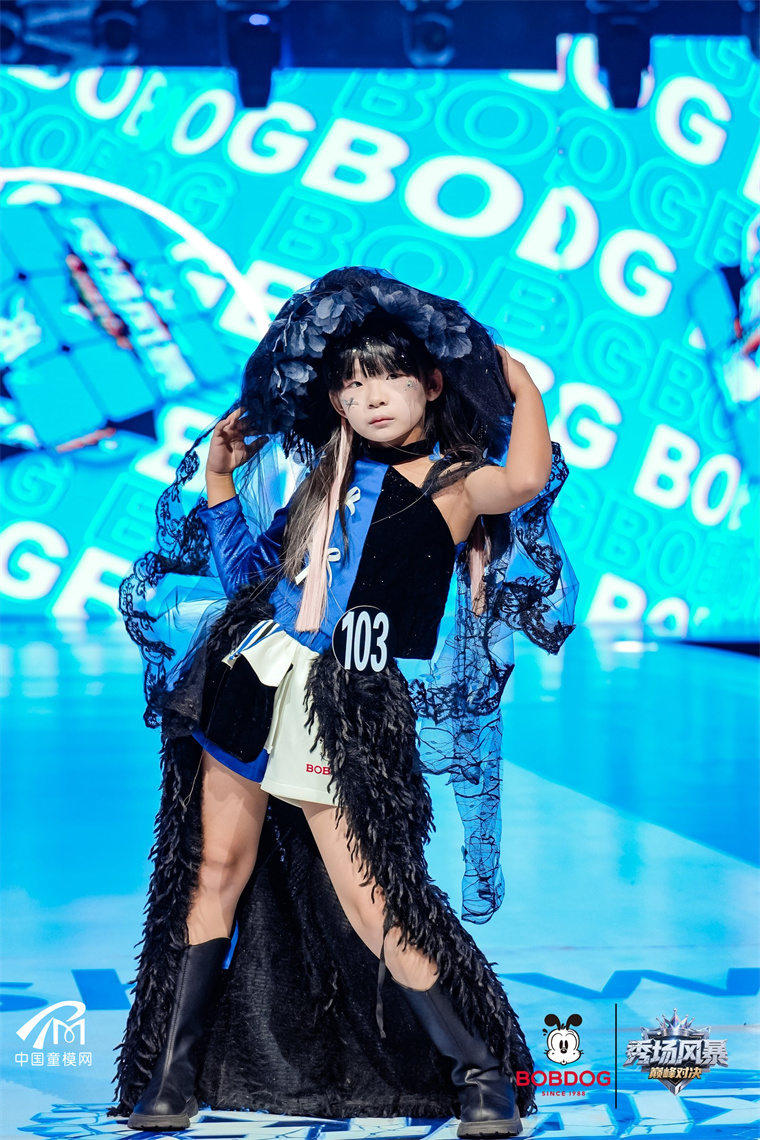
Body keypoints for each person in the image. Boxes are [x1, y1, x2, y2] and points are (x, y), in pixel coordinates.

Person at [110, 267, 578, 1136]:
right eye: (351, 385)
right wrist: (220, 481)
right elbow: (254, 580)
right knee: (213, 874)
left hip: (351, 706)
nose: (369, 398)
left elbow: (524, 478)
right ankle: (171, 1081)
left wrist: (519, 384)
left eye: (386, 377)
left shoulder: (456, 483)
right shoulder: (323, 476)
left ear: (430, 382)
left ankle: (480, 1073)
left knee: (374, 897)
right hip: (250, 685)